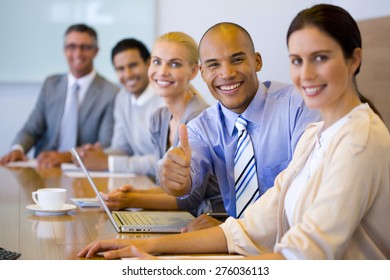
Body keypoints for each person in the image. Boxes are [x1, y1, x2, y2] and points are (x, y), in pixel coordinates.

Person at [78, 4, 390, 260]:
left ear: (354, 60)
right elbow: (256, 224)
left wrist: (174, 268)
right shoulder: (315, 135)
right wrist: (148, 247)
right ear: (202, 72)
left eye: (320, 58)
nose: (305, 74)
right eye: (296, 60)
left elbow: (304, 256)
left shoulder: (355, 137)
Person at [157, 22, 320, 231]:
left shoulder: (298, 105)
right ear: (202, 71)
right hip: (238, 245)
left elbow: (307, 189)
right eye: (214, 65)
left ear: (257, 61)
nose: (226, 73)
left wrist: (232, 229)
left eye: (237, 59)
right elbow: (189, 173)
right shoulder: (201, 127)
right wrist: (173, 177)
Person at [97, 32, 224, 216]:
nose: (162, 71)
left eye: (174, 64)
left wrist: (131, 199)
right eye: (156, 62)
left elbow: (189, 197)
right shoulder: (159, 118)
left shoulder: (199, 118)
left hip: (212, 221)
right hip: (183, 218)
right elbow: (166, 187)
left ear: (194, 71)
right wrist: (131, 194)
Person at [0, 23, 119, 168]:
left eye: (85, 47)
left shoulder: (111, 92)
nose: (78, 53)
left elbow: (104, 145)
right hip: (44, 166)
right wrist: (18, 149)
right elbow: (32, 128)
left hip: (82, 170)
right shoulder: (50, 84)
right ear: (64, 50)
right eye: (72, 47)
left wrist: (67, 156)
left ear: (96, 51)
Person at [74, 38, 164, 177]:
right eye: (120, 69)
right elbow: (122, 148)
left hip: (162, 186)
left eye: (133, 65)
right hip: (138, 179)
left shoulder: (165, 99)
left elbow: (164, 162)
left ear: (149, 63)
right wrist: (93, 156)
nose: (128, 74)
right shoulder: (122, 97)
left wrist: (108, 162)